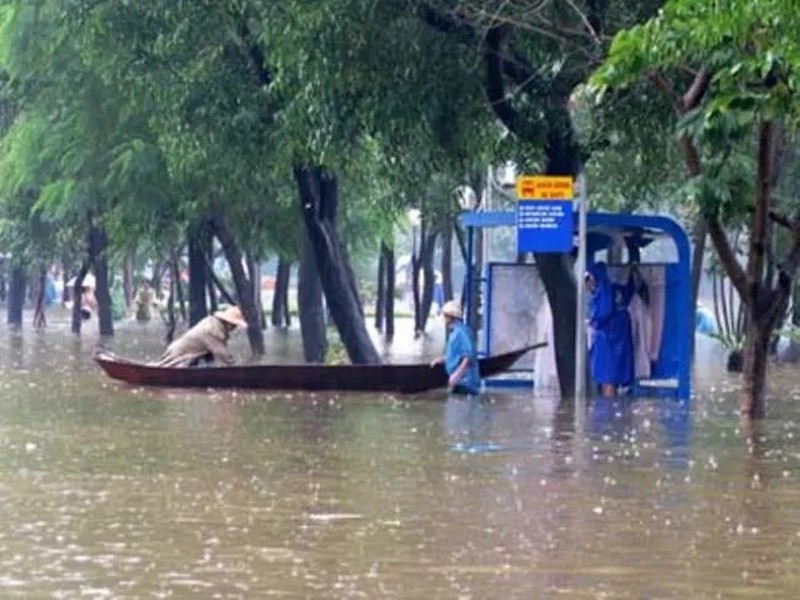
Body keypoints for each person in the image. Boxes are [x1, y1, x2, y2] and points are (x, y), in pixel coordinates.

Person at [586, 262, 635, 397]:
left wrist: (593, 322)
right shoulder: (617, 289)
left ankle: (608, 411)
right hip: (621, 335)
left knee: (607, 379)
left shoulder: (604, 291)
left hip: (607, 338)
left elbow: (603, 312)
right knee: (616, 377)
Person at [151, 305, 248, 368]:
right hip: (180, 355)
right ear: (227, 323)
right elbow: (222, 354)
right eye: (234, 325)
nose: (234, 328)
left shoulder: (211, 322)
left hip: (179, 349)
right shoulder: (213, 330)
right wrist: (238, 367)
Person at [431, 300, 481, 394]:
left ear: (450, 317)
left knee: (460, 405)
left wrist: (456, 375)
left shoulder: (461, 332)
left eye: (445, 316)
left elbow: (468, 357)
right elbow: (455, 354)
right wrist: (442, 359)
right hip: (460, 381)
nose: (444, 319)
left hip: (465, 382)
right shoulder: (455, 332)